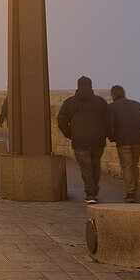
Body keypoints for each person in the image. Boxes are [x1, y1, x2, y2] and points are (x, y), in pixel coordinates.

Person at [57, 76, 108, 204]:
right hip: (97, 139)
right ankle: (94, 190)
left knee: (86, 167)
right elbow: (109, 119)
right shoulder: (100, 102)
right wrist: (105, 133)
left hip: (79, 140)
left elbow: (62, 120)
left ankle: (90, 193)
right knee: (95, 164)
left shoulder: (70, 102)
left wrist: (70, 134)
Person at [106, 85, 140, 202]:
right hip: (138, 141)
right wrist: (139, 133)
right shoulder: (137, 105)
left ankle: (130, 192)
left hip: (123, 141)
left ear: (112, 95)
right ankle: (134, 191)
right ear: (124, 93)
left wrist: (112, 137)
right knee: (134, 164)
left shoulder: (111, 107)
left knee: (127, 166)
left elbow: (108, 124)